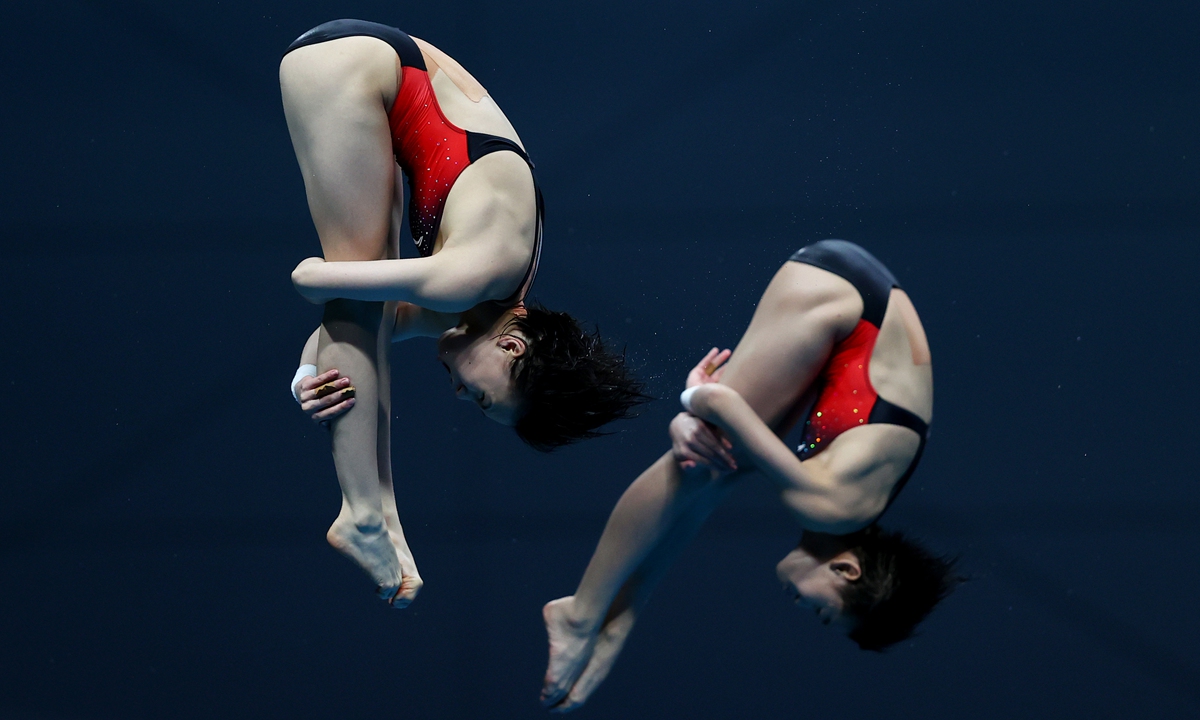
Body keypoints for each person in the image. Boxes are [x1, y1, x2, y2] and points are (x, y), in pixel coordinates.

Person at [280, 19, 646, 609]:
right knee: (359, 291)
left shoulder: (487, 301)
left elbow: (364, 329)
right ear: (512, 348)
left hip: (379, 76)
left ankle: (383, 512)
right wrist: (331, 306)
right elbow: (315, 284)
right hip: (347, 64)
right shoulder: (472, 278)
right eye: (482, 398)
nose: (460, 397)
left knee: (369, 306)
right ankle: (363, 512)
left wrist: (306, 379)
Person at [540, 240, 961, 711]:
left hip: (859, 300)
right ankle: (581, 612)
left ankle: (614, 618)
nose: (802, 609)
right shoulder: (828, 503)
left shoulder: (850, 503)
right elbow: (716, 405)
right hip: (846, 297)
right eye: (822, 613)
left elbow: (699, 497)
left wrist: (627, 614)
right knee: (698, 465)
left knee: (714, 470)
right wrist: (692, 404)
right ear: (846, 569)